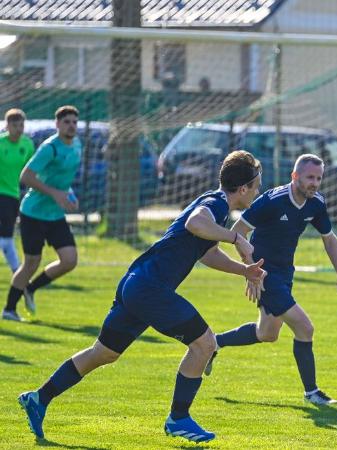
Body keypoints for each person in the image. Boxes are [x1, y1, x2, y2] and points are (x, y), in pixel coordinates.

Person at [18, 150, 266, 443]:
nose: (258, 191)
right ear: (243, 188)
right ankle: (179, 419)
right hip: (150, 288)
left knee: (104, 353)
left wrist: (243, 270)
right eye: (257, 186)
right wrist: (237, 238)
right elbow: (195, 225)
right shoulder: (215, 204)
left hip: (136, 284)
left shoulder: (214, 206)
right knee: (205, 343)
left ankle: (39, 398)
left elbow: (208, 252)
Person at [208, 153, 337, 406]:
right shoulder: (271, 201)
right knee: (305, 328)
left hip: (285, 272)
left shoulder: (316, 204)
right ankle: (312, 393)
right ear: (294, 176)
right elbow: (237, 232)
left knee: (267, 333)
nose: (314, 183)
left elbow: (329, 238)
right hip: (264, 273)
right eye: (309, 177)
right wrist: (249, 270)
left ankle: (213, 343)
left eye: (318, 178)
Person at [4, 106, 82, 321]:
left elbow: (64, 179)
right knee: (31, 262)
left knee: (69, 260)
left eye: (74, 122)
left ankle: (31, 288)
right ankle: (9, 309)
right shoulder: (50, 148)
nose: (71, 126)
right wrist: (54, 193)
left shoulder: (77, 145)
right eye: (66, 122)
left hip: (55, 214)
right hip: (33, 213)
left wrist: (69, 196)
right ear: (57, 125)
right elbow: (26, 176)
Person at [0, 109, 35, 280]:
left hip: (12, 196)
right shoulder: (1, 143)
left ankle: (18, 274)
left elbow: (32, 171)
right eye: (15, 125)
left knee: (6, 239)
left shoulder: (27, 145)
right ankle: (18, 273)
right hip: (1, 194)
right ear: (7, 126)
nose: (19, 128)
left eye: (21, 125)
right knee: (5, 239)